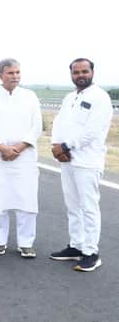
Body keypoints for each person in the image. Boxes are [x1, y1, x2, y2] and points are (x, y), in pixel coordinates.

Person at [50, 58, 113, 272]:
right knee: (72, 206)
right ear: (71, 75)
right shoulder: (70, 97)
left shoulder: (100, 97)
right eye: (76, 72)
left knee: (88, 207)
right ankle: (76, 246)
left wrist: (66, 146)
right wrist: (56, 146)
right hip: (68, 160)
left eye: (84, 71)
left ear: (92, 72)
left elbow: (92, 131)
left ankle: (91, 252)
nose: (80, 75)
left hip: (87, 161)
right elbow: (59, 123)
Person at [0, 58, 42, 258]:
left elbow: (37, 126)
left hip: (24, 156)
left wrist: (20, 147)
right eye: (10, 73)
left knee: (26, 200)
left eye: (17, 72)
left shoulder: (30, 96)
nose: (15, 76)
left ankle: (26, 243)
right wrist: (2, 147)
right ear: (0, 75)